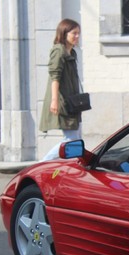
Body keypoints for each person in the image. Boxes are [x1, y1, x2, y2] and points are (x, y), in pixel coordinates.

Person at [39, 19, 84, 161]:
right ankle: (42, 163)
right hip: (63, 101)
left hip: (73, 101)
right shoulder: (58, 50)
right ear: (64, 33)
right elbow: (55, 76)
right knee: (70, 140)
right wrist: (54, 100)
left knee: (75, 139)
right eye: (74, 33)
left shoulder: (72, 52)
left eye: (78, 33)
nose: (77, 36)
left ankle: (70, 170)